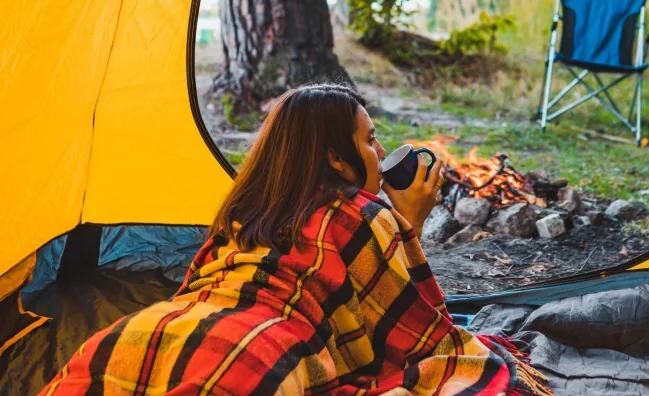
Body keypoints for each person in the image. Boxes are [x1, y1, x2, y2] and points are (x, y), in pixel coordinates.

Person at [40, 84, 552, 395]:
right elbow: (420, 334)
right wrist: (406, 225)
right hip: (256, 346)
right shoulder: (361, 212)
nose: (379, 151)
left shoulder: (246, 208)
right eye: (370, 138)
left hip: (150, 328)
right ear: (334, 157)